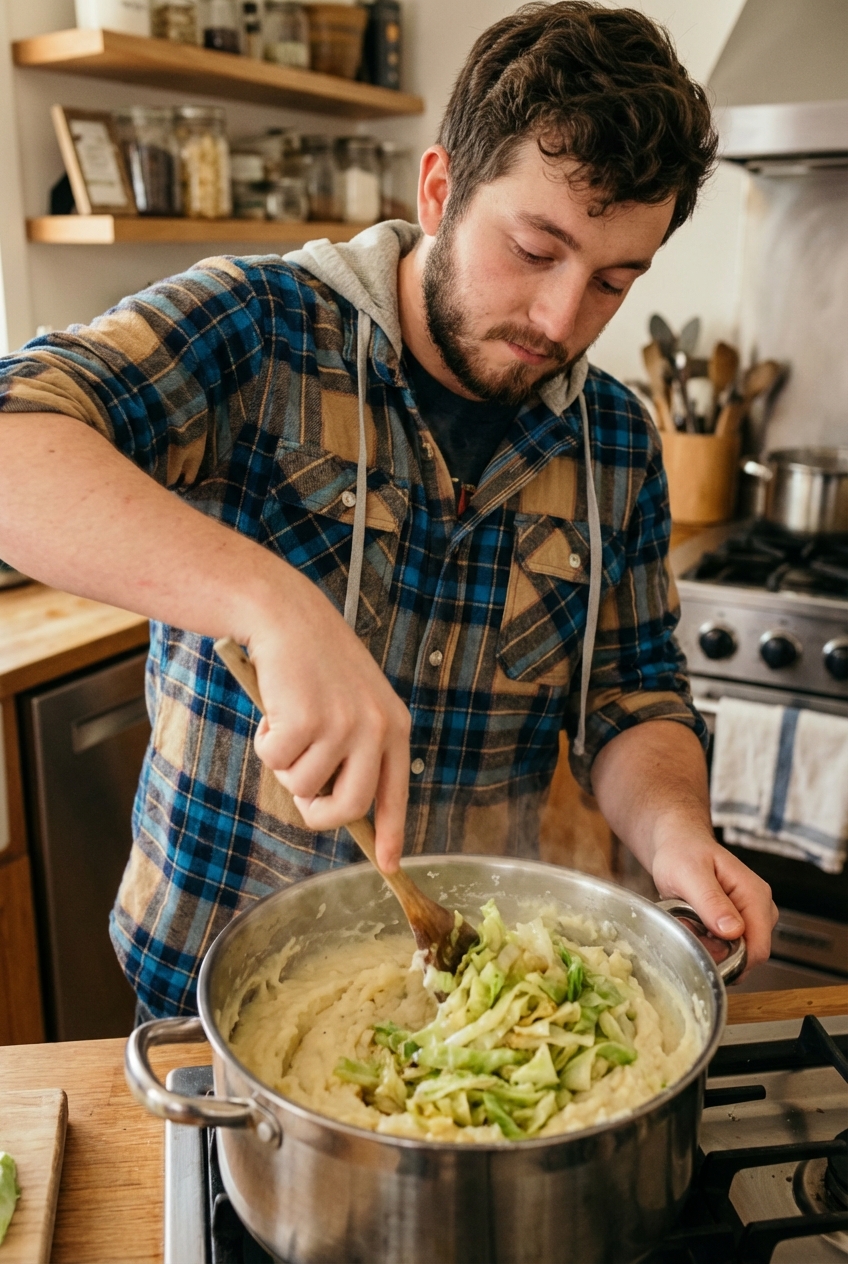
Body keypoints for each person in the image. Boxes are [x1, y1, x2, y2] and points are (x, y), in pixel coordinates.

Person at [0, 1, 776, 1018]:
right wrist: (275, 605)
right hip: (205, 998)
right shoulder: (259, 328)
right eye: (535, 250)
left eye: (611, 281)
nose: (560, 319)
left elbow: (630, 696)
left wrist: (675, 830)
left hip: (464, 996)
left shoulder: (616, 441)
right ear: (440, 186)